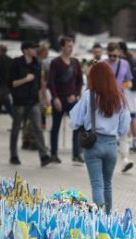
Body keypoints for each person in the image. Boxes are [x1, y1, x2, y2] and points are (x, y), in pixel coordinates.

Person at [69, 62, 130, 214]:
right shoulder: (119, 97)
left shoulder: (88, 95)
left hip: (93, 144)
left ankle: (99, 217)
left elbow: (75, 121)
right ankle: (108, 218)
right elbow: (124, 127)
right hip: (111, 145)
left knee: (97, 184)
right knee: (108, 184)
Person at [8, 42, 52, 166]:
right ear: (25, 50)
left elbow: (39, 83)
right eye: (33, 48)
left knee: (38, 128)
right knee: (16, 128)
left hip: (33, 101)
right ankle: (14, 155)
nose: (35, 50)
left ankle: (43, 156)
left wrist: (42, 99)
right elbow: (12, 83)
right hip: (20, 101)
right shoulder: (16, 63)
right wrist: (25, 80)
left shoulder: (36, 64)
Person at [48, 36, 83, 164]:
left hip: (72, 99)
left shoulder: (75, 63)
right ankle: (53, 153)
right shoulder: (55, 62)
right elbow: (51, 82)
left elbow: (80, 81)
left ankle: (76, 153)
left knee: (77, 126)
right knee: (55, 127)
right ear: (62, 47)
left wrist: (76, 94)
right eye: (68, 46)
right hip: (59, 99)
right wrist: (55, 98)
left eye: (72, 46)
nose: (71, 49)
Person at [104, 42, 134, 173]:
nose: (112, 58)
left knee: (124, 130)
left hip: (120, 101)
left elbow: (129, 81)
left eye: (115, 55)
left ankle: (125, 159)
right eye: (110, 55)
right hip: (105, 101)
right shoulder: (102, 64)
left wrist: (124, 86)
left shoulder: (125, 64)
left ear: (119, 53)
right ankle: (107, 159)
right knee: (107, 132)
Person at [118, 42, 136, 153]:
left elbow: (123, 78)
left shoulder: (123, 62)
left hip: (126, 91)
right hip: (133, 93)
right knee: (133, 118)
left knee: (125, 118)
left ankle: (126, 142)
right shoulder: (132, 60)